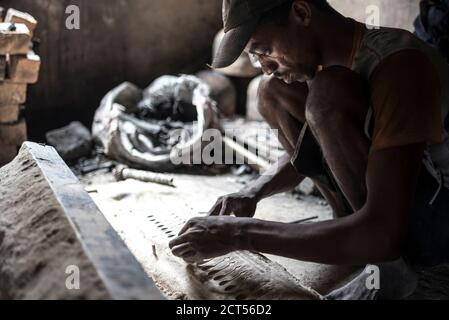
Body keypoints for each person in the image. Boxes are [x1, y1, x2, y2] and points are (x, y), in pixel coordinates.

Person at [169, 0, 449, 299]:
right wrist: (253, 192)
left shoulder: (398, 63)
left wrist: (239, 234)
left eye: (263, 50)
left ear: (301, 13)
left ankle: (388, 266)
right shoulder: (336, 62)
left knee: (327, 92)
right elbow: (310, 150)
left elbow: (384, 230)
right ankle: (349, 226)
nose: (264, 65)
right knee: (273, 91)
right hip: (396, 208)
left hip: (437, 224)